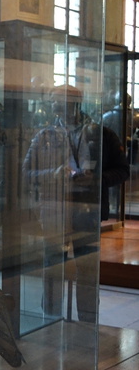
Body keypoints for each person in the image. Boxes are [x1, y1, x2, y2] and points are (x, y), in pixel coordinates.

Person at [23, 85, 129, 322]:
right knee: (53, 265)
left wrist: (97, 179)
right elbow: (27, 172)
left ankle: (87, 322)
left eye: (57, 99)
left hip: (87, 209)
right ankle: (50, 320)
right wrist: (54, 174)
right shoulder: (44, 136)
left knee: (88, 268)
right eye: (52, 100)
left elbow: (122, 170)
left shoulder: (102, 134)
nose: (53, 104)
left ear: (73, 101)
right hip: (55, 208)